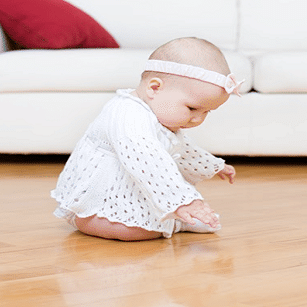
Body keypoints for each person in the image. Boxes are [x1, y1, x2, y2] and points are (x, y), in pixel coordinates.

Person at [51, 37, 243, 241]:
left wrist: (212, 165)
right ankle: (176, 222)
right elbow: (149, 159)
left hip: (129, 189)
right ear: (154, 88)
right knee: (134, 231)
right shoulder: (126, 114)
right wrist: (183, 200)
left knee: (148, 221)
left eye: (207, 112)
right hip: (96, 203)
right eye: (192, 108)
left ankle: (173, 219)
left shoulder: (160, 118)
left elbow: (181, 148)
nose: (198, 119)